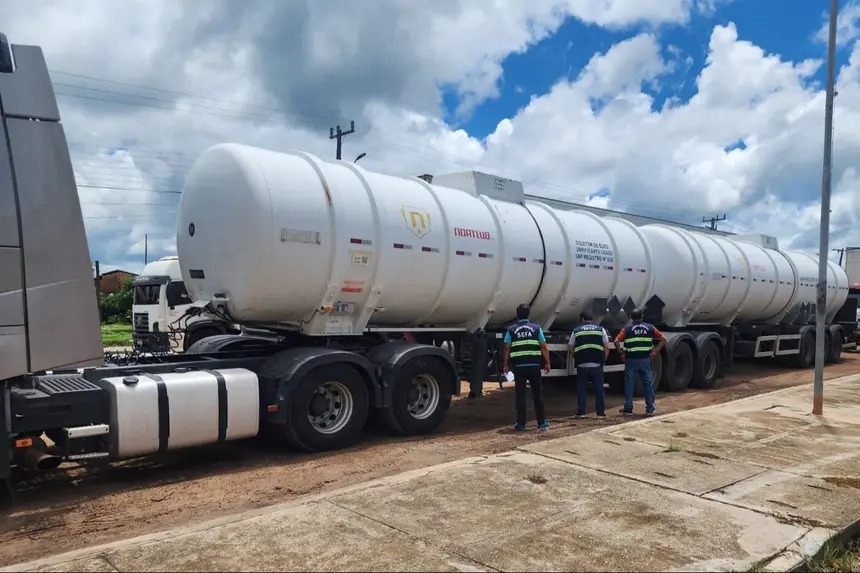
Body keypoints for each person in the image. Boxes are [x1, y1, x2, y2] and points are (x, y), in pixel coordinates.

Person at [501, 303, 551, 432]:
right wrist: (547, 362)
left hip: (519, 367)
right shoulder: (536, 328)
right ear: (528, 314)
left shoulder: (511, 330)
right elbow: (544, 346)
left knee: (521, 396)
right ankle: (542, 423)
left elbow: (507, 347)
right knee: (537, 395)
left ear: (517, 315)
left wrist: (505, 364)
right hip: (534, 366)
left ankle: (521, 424)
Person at [614, 308, 667, 416]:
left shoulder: (627, 329)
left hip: (631, 360)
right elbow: (663, 339)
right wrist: (655, 351)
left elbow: (616, 341)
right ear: (642, 316)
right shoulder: (650, 327)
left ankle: (628, 409)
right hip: (645, 360)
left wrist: (621, 353)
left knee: (629, 384)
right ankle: (650, 409)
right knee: (647, 383)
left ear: (631, 318)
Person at [568, 310, 611, 418]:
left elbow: (570, 347)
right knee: (599, 390)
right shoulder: (601, 330)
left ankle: (581, 412)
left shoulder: (576, 330)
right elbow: (606, 347)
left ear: (582, 319)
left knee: (581, 389)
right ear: (592, 319)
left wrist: (576, 357)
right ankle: (600, 413)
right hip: (597, 364)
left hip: (582, 365)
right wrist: (603, 360)